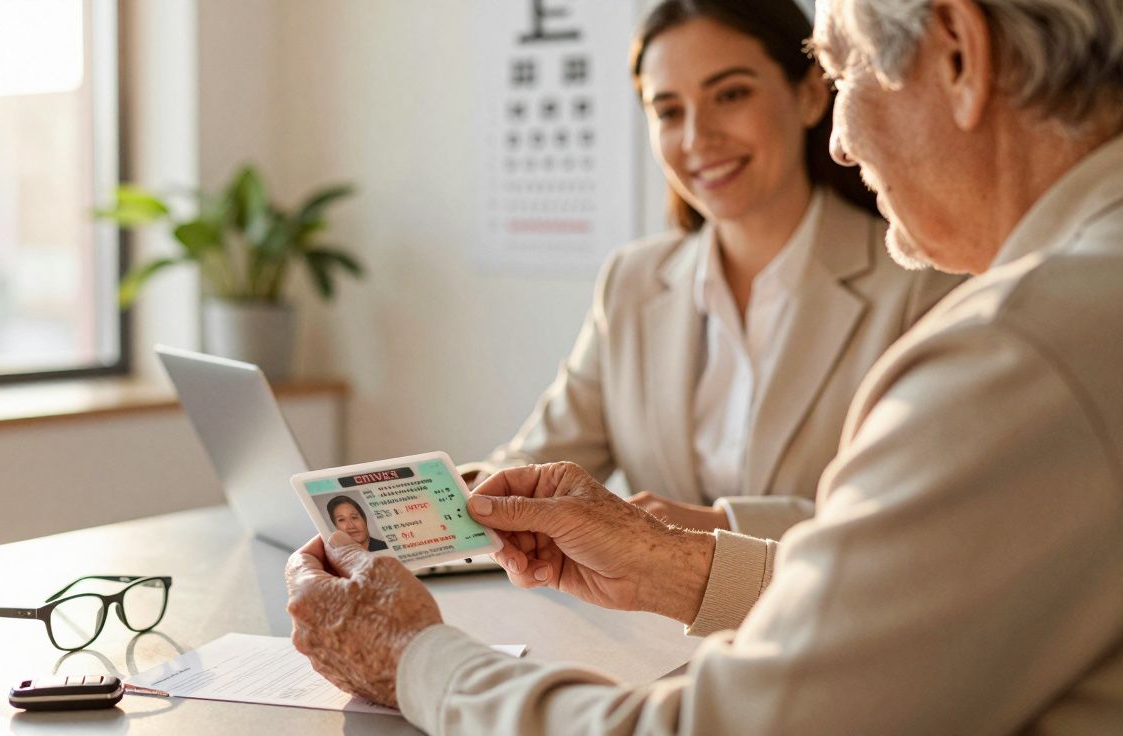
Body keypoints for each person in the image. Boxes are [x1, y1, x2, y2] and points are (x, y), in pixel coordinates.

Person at [286, 0, 1123, 732]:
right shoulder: (1075, 300)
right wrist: (668, 559)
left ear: (957, 53)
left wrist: (415, 660)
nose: (839, 141)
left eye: (849, 67)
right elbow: (927, 595)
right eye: (667, 108)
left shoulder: (1014, 346)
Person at [461, 0, 960, 540]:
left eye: (730, 94)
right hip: (651, 626)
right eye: (669, 111)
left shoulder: (920, 281)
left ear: (812, 94)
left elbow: (933, 509)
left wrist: (719, 529)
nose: (698, 137)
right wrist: (435, 501)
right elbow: (536, 463)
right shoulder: (631, 281)